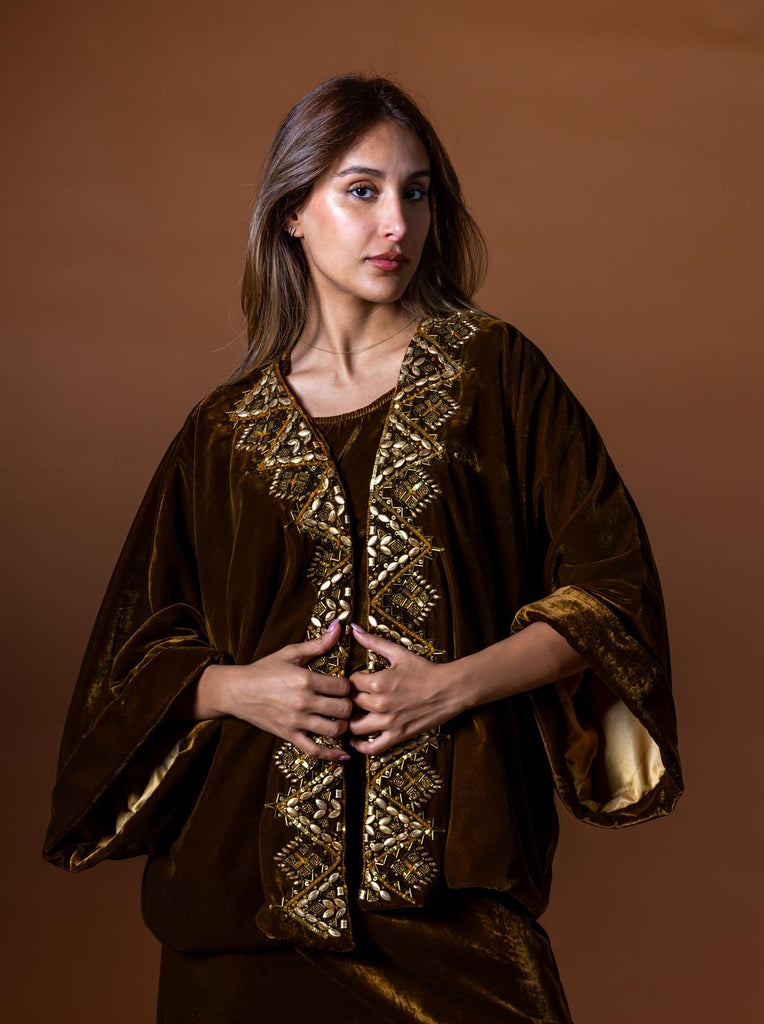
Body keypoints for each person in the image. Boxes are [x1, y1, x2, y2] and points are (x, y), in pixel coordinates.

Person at [42, 73, 684, 1023]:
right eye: (362, 190)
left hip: (449, 885)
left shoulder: (496, 373)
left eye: (416, 192)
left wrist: (451, 686)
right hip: (238, 903)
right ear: (292, 213)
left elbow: (614, 593)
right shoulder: (222, 432)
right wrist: (235, 689)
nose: (397, 223)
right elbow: (123, 668)